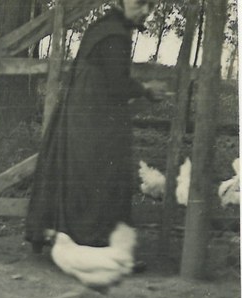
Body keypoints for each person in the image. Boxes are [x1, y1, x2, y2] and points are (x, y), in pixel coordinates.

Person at [25, 0, 166, 253]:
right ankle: (94, 244)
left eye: (150, 5)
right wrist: (145, 89)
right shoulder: (114, 35)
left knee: (79, 173)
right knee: (101, 176)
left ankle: (66, 237)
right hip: (95, 118)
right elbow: (116, 84)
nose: (145, 11)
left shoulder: (104, 27)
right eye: (140, 3)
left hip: (83, 112)